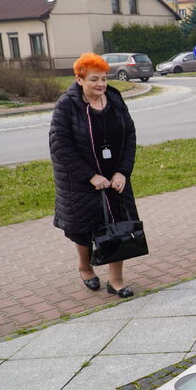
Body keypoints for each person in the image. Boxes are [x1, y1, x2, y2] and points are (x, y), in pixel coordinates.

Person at [49, 52, 138, 298]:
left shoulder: (115, 99)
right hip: (80, 181)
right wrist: (90, 176)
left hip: (115, 178)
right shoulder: (66, 105)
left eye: (103, 79)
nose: (100, 84)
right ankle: (85, 267)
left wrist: (123, 172)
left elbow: (130, 135)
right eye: (93, 80)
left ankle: (116, 281)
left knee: (118, 225)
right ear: (79, 80)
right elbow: (60, 146)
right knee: (83, 229)